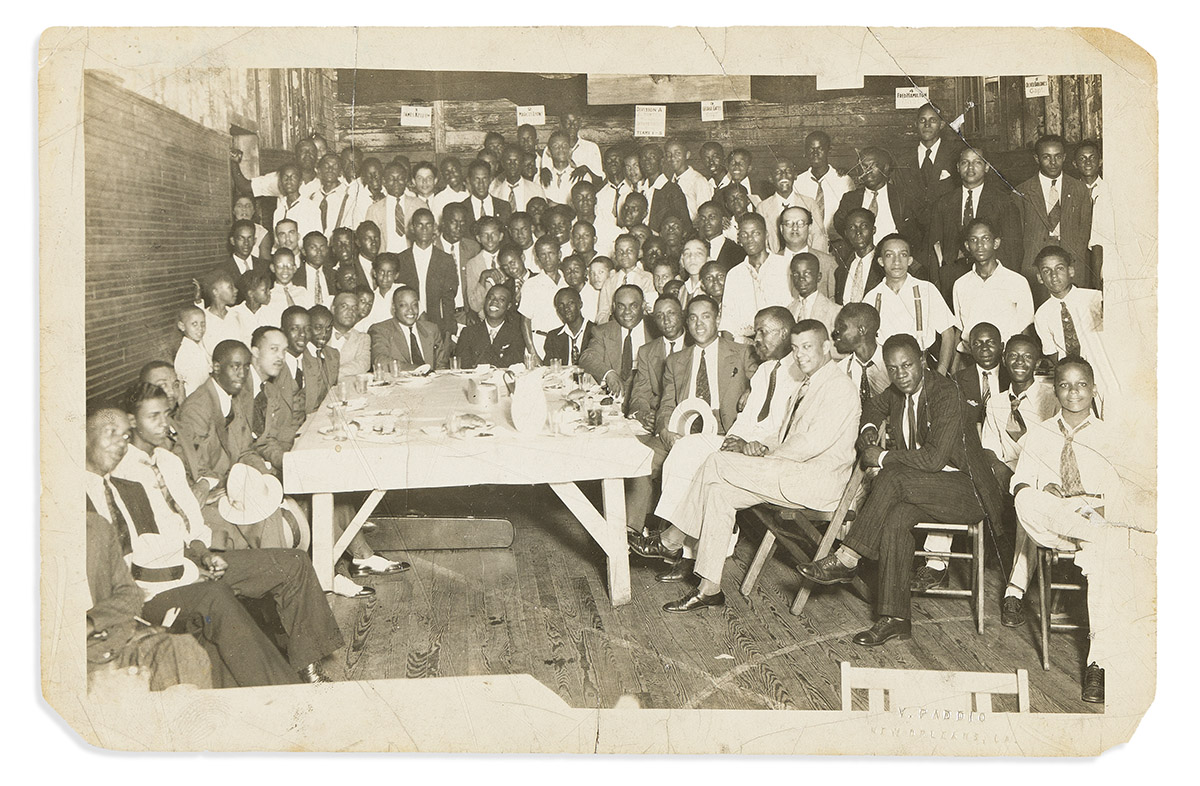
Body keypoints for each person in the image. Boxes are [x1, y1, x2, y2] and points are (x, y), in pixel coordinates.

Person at [87, 402, 344, 687]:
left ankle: (306, 672)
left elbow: (162, 543)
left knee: (292, 562)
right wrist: (190, 571)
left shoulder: (127, 490)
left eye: (124, 437)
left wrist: (200, 555)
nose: (120, 445)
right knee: (216, 596)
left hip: (178, 567)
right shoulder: (74, 499)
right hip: (142, 597)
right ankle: (285, 693)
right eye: (111, 433)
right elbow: (134, 571)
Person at [797, 334, 1003, 646]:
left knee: (891, 477)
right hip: (926, 489)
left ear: (922, 361)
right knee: (895, 518)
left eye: (907, 365)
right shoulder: (897, 391)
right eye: (893, 369)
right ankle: (895, 619)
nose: (901, 374)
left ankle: (848, 557)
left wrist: (880, 456)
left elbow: (934, 459)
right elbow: (872, 408)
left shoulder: (947, 394)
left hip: (967, 490)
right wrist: (868, 432)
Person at [640, 319, 859, 610]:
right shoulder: (807, 385)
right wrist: (760, 445)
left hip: (818, 483)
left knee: (717, 461)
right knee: (718, 491)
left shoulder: (838, 387)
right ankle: (709, 588)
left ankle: (671, 539)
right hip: (793, 472)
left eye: (807, 347)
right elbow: (786, 434)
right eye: (794, 349)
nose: (800, 355)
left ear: (827, 347)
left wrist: (766, 454)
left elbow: (810, 444)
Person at [1004, 356, 1137, 704]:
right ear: (1055, 390)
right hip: (1052, 523)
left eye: (1081, 385)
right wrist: (1043, 491)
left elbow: (1121, 497)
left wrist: (1091, 510)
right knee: (1027, 500)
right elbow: (1019, 484)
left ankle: (1098, 662)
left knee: (1105, 559)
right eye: (1065, 385)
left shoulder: (1112, 437)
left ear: (1093, 390)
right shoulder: (1041, 433)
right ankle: (1068, 515)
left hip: (1095, 521)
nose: (1073, 391)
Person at [625, 295, 751, 540]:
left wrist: (750, 390)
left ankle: (670, 543)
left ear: (718, 318)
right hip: (682, 428)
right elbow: (666, 405)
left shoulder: (742, 353)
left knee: (692, 467)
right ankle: (629, 537)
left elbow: (766, 382)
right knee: (641, 461)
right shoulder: (676, 361)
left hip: (722, 432)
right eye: (693, 318)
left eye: (706, 317)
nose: (699, 324)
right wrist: (664, 429)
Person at [86, 505, 213, 691]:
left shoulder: (97, 527)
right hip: (76, 658)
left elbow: (131, 594)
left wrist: (93, 621)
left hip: (118, 640)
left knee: (182, 648)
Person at [925, 146, 1023, 299]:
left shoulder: (1003, 202)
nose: (970, 168)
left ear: (987, 167)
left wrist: (1006, 284)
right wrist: (938, 282)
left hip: (991, 278)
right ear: (957, 167)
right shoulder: (944, 203)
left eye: (977, 162)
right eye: (965, 162)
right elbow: (934, 246)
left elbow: (1013, 250)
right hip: (952, 280)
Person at [1032, 245, 1118, 406]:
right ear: (1040, 278)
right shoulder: (1042, 314)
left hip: (1104, 372)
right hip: (1073, 382)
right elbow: (1052, 354)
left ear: (1071, 271)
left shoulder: (1095, 300)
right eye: (1046, 271)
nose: (1054, 276)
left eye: (1059, 268)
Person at [177, 340, 265, 493]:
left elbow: (245, 451)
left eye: (246, 367)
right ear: (217, 367)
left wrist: (264, 475)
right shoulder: (196, 409)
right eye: (236, 366)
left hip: (233, 483)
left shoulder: (233, 398)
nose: (243, 374)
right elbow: (198, 470)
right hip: (210, 491)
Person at [864, 233, 957, 376]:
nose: (897, 261)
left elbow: (948, 333)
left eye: (903, 255)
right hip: (884, 373)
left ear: (910, 260)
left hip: (922, 369)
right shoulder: (871, 297)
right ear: (881, 261)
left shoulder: (926, 289)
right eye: (889, 255)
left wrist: (940, 374)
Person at [1016, 135, 1094, 296]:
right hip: (1035, 270)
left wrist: (1074, 264)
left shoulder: (1080, 190)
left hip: (1072, 269)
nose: (1053, 163)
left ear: (1064, 157)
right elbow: (1019, 235)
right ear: (1036, 158)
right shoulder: (1022, 192)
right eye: (1046, 157)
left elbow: (1084, 232)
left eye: (1058, 156)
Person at [952, 219, 1035, 349]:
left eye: (985, 238)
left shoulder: (1017, 282)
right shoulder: (960, 284)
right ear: (967, 246)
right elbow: (960, 331)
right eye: (973, 240)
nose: (979, 245)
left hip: (1007, 358)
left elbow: (1026, 330)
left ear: (996, 243)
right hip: (971, 358)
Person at [719, 213, 791, 342]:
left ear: (766, 235)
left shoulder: (785, 266)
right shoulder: (734, 275)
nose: (749, 239)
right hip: (745, 345)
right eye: (744, 235)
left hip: (781, 341)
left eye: (755, 233)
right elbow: (727, 323)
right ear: (739, 239)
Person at [626, 295, 689, 433]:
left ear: (682, 314)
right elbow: (640, 394)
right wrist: (643, 414)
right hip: (657, 419)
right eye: (660, 316)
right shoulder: (646, 352)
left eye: (671, 313)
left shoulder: (696, 345)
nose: (666, 321)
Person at [833, 147, 917, 248]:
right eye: (863, 167)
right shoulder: (850, 199)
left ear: (885, 168)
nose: (867, 171)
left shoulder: (903, 197)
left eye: (872, 166)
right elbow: (840, 225)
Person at [580, 284, 652, 400]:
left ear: (643, 306)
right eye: (621, 306)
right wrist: (609, 374)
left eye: (633, 306)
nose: (627, 312)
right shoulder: (603, 331)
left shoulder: (656, 331)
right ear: (614, 307)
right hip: (616, 399)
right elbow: (587, 357)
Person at [396, 208, 459, 338]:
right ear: (412, 228)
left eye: (428, 224)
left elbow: (449, 300)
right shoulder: (401, 260)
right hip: (407, 324)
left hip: (437, 327)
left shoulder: (446, 260)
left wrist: (448, 333)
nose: (424, 229)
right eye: (420, 225)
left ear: (434, 227)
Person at [901, 103, 961, 236]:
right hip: (913, 237)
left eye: (933, 120)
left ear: (942, 124)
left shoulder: (955, 156)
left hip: (947, 233)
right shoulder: (904, 160)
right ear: (916, 124)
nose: (927, 125)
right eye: (922, 120)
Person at [792, 130, 855, 245]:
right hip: (806, 244)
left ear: (828, 150)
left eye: (820, 148)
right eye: (811, 149)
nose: (815, 153)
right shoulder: (797, 182)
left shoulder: (844, 180)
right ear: (805, 152)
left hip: (837, 244)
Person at [368, 286, 449, 371]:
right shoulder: (380, 330)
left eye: (414, 305)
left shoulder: (431, 329)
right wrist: (417, 370)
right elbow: (380, 361)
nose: (410, 310)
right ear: (394, 308)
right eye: (403, 305)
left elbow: (441, 365)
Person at [758, 159, 828, 255]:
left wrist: (813, 261)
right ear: (771, 178)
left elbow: (819, 237)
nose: (784, 175)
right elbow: (763, 242)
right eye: (778, 172)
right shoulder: (762, 207)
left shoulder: (809, 203)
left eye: (788, 171)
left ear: (795, 176)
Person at [454, 283, 525, 369]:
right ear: (485, 302)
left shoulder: (516, 334)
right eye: (491, 297)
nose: (494, 301)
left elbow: (515, 365)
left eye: (501, 299)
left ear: (508, 306)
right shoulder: (468, 333)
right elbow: (463, 365)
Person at [833, 303, 891, 403]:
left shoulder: (893, 365)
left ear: (861, 330)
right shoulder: (840, 371)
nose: (835, 332)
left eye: (842, 327)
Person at [956, 322, 1009, 427]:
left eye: (991, 342)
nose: (984, 348)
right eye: (977, 343)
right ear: (970, 349)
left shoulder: (1011, 377)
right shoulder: (958, 380)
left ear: (1001, 347)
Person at [778, 206, 838, 300]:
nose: (794, 228)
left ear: (809, 228)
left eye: (800, 223)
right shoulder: (771, 262)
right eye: (788, 224)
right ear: (781, 229)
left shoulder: (827, 262)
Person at [594, 234, 655, 323]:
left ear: (638, 253)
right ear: (615, 255)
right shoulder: (609, 282)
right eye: (620, 252)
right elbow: (601, 315)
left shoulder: (647, 279)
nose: (624, 255)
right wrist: (611, 320)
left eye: (629, 251)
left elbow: (650, 311)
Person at [438, 202, 482, 318]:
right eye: (453, 222)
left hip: (466, 315)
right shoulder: (432, 248)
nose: (459, 228)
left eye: (463, 223)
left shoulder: (473, 248)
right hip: (441, 316)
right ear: (443, 223)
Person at [294, 153, 352, 240]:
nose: (330, 169)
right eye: (326, 166)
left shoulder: (349, 197)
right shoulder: (312, 198)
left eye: (335, 166)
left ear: (340, 172)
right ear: (319, 171)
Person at [834, 208, 882, 305]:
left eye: (863, 226)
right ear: (846, 234)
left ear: (873, 230)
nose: (858, 232)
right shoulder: (841, 269)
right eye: (852, 227)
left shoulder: (883, 266)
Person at [1074, 139, 1114, 254]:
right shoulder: (1070, 191)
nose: (1088, 162)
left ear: (1100, 162)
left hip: (1106, 252)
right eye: (1082, 158)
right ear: (1075, 164)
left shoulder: (1110, 191)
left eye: (1092, 158)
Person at [639, 143, 690, 232]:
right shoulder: (641, 189)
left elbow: (685, 224)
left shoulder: (672, 190)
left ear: (661, 161)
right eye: (643, 158)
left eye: (652, 157)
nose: (647, 161)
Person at [786, 253, 840, 335]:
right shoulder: (789, 310)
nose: (801, 279)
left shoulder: (834, 312)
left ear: (819, 277)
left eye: (807, 273)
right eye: (796, 274)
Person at [661, 139, 714, 222]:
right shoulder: (670, 181)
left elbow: (706, 212)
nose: (672, 157)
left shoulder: (698, 180)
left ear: (687, 155)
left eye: (677, 153)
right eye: (668, 154)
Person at [464, 216, 506, 316]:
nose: (489, 239)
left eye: (493, 234)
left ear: (501, 236)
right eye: (485, 235)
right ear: (478, 238)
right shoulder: (472, 264)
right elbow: (475, 305)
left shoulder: (509, 259)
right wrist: (483, 277)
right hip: (485, 319)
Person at [542, 286, 594, 367]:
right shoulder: (553, 337)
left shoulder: (597, 332)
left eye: (570, 303)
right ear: (558, 311)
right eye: (561, 305)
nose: (566, 308)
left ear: (580, 304)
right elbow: (549, 369)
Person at [198, 268, 244, 360]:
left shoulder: (236, 314)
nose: (236, 290)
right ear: (215, 292)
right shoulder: (204, 319)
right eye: (230, 287)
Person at [327, 292, 371, 378]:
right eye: (344, 306)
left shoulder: (363, 338)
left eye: (354, 308)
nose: (350, 311)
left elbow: (363, 364)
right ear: (333, 309)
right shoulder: (320, 334)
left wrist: (330, 374)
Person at [460, 159, 511, 230]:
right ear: (469, 180)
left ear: (490, 179)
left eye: (485, 179)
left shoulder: (504, 207)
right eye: (476, 179)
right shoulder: (462, 209)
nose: (481, 184)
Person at [229, 270, 276, 347]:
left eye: (269, 289)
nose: (269, 292)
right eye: (264, 290)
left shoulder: (271, 312)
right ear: (251, 293)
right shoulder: (235, 314)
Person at [694, 200, 746, 270]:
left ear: (722, 220)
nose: (706, 222)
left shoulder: (737, 252)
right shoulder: (693, 248)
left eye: (712, 217)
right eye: (702, 218)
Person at [491, 144, 542, 212]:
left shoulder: (536, 190)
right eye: (509, 160)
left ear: (522, 163)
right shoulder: (495, 193)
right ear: (503, 164)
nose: (512, 165)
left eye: (516, 160)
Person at [294, 231, 337, 309]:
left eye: (322, 247)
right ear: (304, 251)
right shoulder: (295, 276)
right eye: (313, 247)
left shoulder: (334, 275)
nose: (319, 252)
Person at [173, 306, 210, 398]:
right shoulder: (186, 353)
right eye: (194, 324)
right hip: (196, 399)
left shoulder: (199, 346)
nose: (200, 328)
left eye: (203, 324)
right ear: (182, 326)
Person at [362, 253, 403, 330]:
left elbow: (421, 316)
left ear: (396, 275)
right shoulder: (372, 298)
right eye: (381, 272)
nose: (385, 277)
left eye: (390, 273)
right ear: (374, 273)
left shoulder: (402, 291)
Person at [308, 304, 341, 389]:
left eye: (328, 328)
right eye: (318, 328)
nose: (324, 334)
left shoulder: (333, 354)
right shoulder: (300, 357)